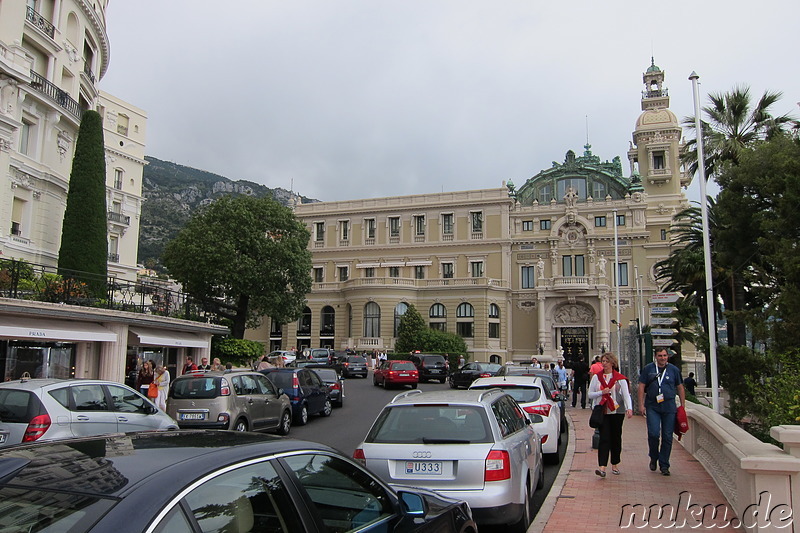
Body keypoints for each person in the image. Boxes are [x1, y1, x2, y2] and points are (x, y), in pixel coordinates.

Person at [638, 348, 686, 476]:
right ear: (655, 356)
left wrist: (682, 406)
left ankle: (664, 464)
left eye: (665, 355)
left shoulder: (674, 370)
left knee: (667, 436)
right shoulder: (649, 369)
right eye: (660, 356)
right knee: (653, 433)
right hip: (653, 405)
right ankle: (654, 456)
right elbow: (641, 386)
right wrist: (641, 405)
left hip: (669, 406)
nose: (663, 358)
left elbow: (680, 387)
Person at [588, 352, 633, 477]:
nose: (604, 363)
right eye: (603, 361)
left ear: (612, 363)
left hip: (617, 412)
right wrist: (601, 392)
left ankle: (615, 463)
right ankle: (602, 467)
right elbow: (590, 394)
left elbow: (626, 395)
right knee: (604, 438)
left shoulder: (620, 379)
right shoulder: (597, 377)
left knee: (616, 438)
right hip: (603, 411)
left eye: (607, 361)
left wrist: (629, 408)